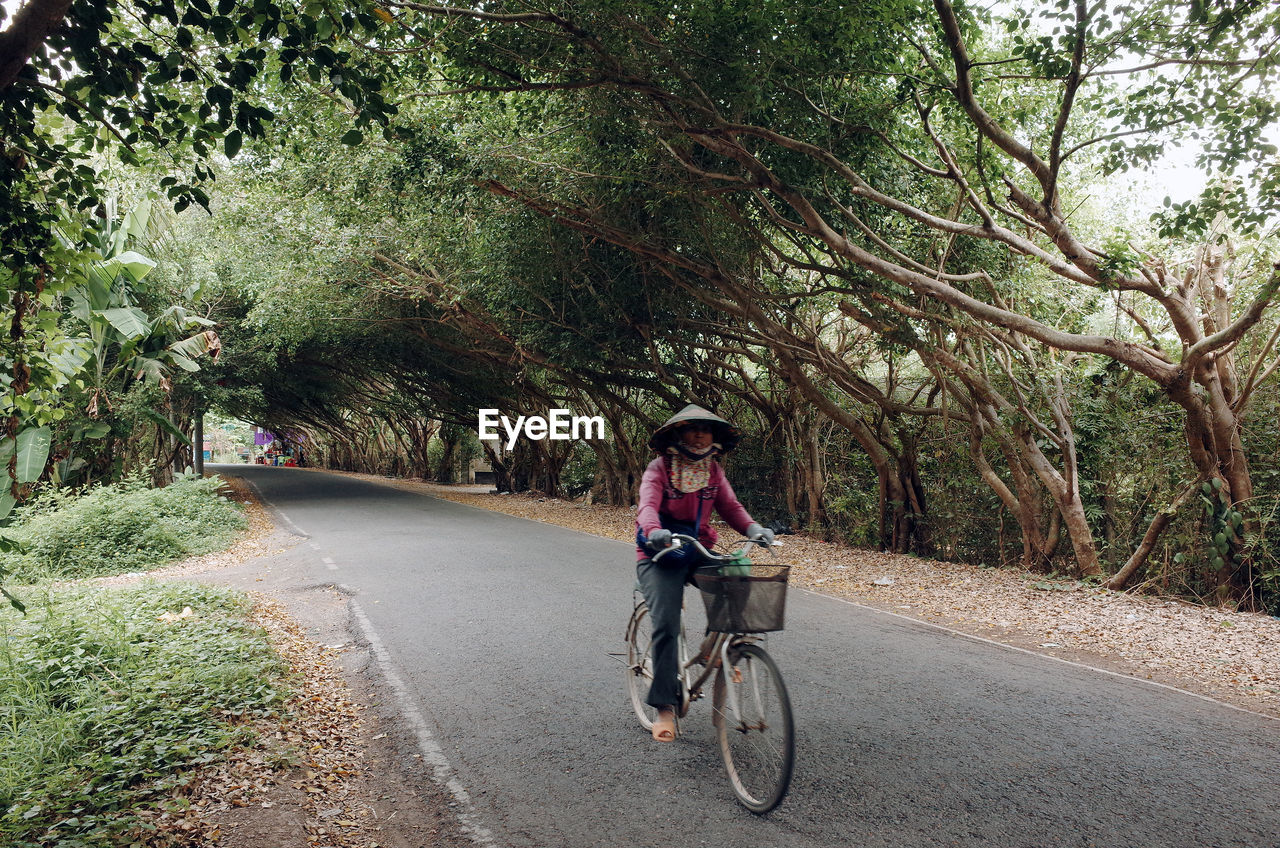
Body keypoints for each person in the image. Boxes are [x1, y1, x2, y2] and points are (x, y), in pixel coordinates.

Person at [634, 403, 775, 742]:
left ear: (715, 438)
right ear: (677, 434)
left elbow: (731, 507)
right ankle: (664, 706)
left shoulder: (713, 472)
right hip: (659, 553)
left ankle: (719, 648)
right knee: (666, 624)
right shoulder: (660, 468)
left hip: (696, 549)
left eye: (706, 429)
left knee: (736, 578)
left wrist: (754, 528)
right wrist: (654, 531)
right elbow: (647, 506)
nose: (699, 434)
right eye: (691, 428)